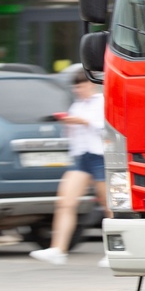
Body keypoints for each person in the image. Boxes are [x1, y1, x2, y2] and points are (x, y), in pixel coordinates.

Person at [29, 71, 110, 266]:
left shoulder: (102, 101)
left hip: (100, 156)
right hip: (82, 157)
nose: (79, 90)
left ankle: (115, 251)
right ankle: (58, 249)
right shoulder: (77, 106)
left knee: (109, 207)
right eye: (76, 87)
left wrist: (84, 122)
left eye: (81, 86)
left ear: (91, 85)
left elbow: (108, 127)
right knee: (65, 202)